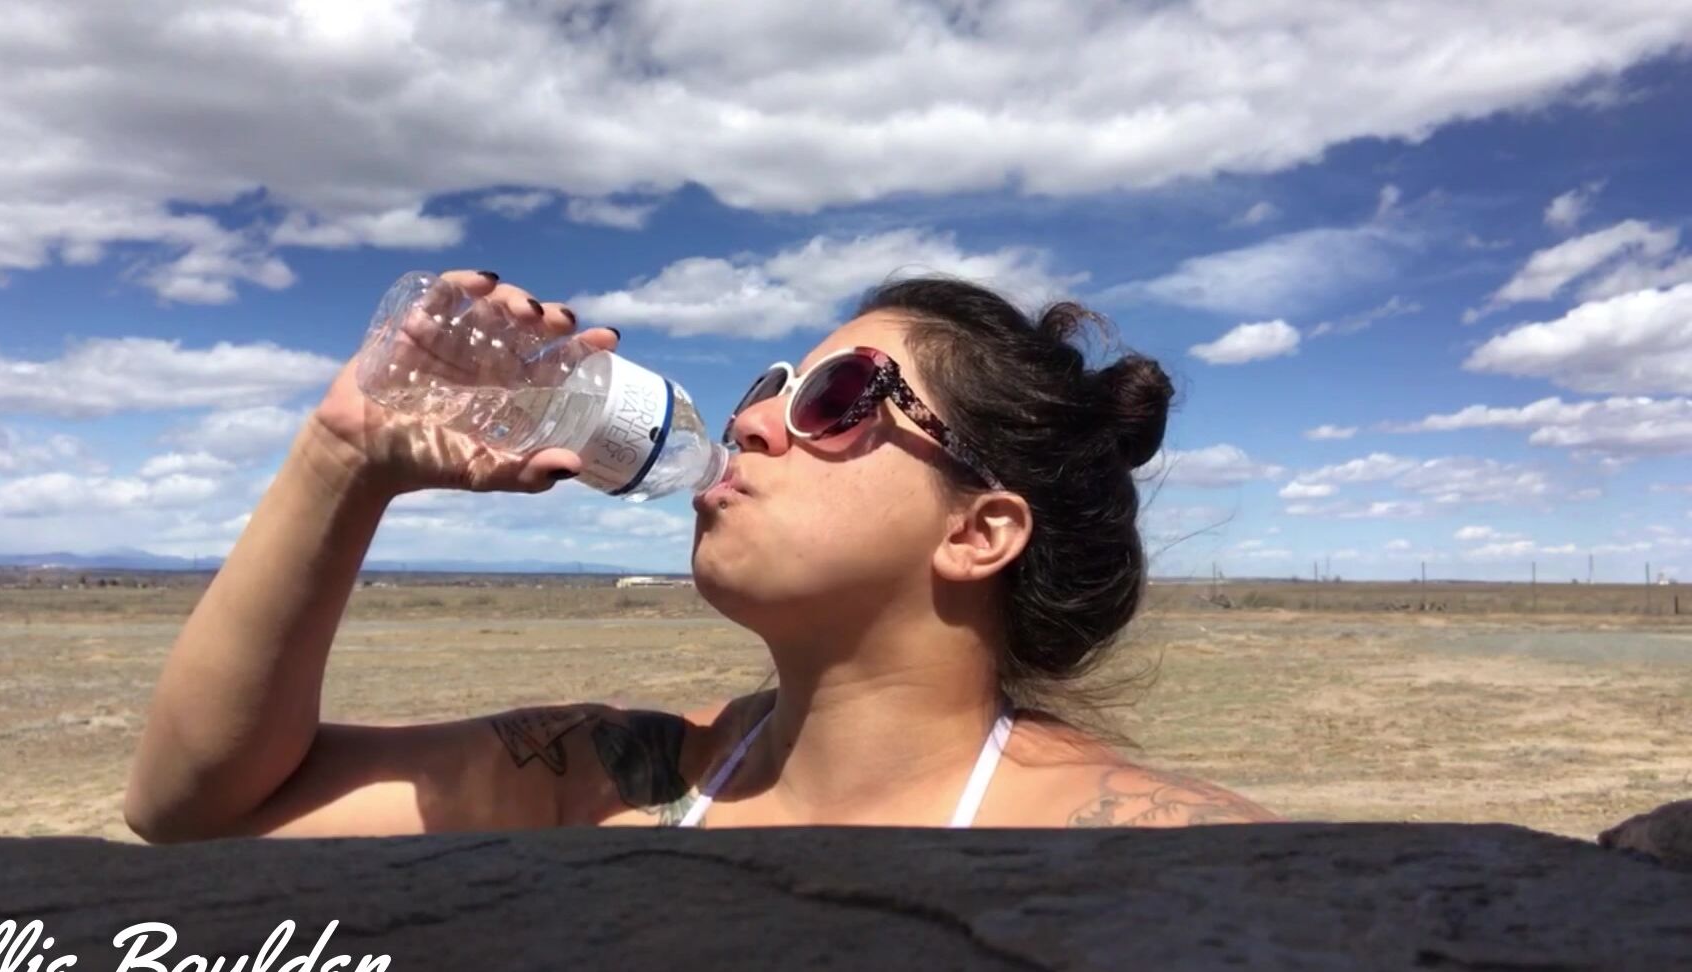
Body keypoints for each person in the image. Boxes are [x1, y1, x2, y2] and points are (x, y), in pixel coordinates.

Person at [122, 268, 1278, 840]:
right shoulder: (620, 779)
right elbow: (194, 808)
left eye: (838, 397)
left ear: (980, 532)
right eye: (767, 386)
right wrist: (342, 459)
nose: (754, 419)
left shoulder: (1159, 849)